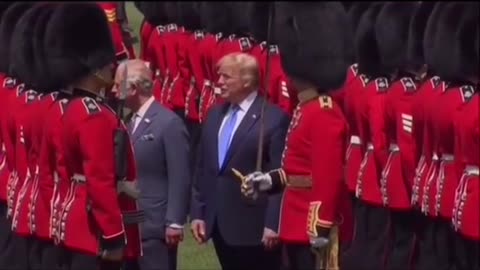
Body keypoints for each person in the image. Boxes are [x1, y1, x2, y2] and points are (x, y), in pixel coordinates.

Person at [240, 2, 351, 270]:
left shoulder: (324, 113)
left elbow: (328, 176)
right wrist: (269, 179)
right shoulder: (306, 108)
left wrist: (320, 226)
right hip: (294, 220)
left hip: (312, 226)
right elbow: (296, 169)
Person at [42, 3, 141, 269]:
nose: (112, 66)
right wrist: (114, 237)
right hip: (94, 232)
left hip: (75, 224)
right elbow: (99, 179)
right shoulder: (92, 114)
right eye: (106, 63)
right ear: (93, 66)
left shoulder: (71, 107)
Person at [190, 52, 289, 270]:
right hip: (218, 223)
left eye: (226, 77)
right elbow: (203, 168)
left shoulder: (272, 118)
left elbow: (279, 175)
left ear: (246, 80)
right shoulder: (215, 115)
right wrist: (198, 213)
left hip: (253, 225)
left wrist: (273, 224)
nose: (220, 82)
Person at [113, 59, 192, 270]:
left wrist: (174, 221)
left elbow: (180, 175)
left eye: (117, 84)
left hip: (156, 226)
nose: (113, 89)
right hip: (131, 224)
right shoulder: (128, 121)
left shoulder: (168, 123)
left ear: (133, 88)